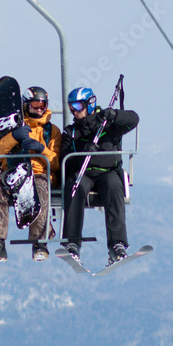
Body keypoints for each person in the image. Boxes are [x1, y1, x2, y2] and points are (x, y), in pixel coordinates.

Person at [59, 86, 139, 267]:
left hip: (107, 172)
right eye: (71, 106)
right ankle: (72, 242)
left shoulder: (109, 126)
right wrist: (81, 153)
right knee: (74, 187)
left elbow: (134, 119)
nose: (74, 111)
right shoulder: (71, 132)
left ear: (89, 104)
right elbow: (63, 159)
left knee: (113, 187)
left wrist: (114, 115)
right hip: (84, 172)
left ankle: (117, 245)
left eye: (78, 106)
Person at [0, 86, 61, 262]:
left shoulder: (51, 131)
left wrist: (41, 149)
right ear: (25, 105)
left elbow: (57, 163)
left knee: (40, 188)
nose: (39, 109)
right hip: (12, 170)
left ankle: (40, 241)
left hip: (38, 173)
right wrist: (14, 137)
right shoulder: (8, 126)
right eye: (34, 105)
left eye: (42, 106)